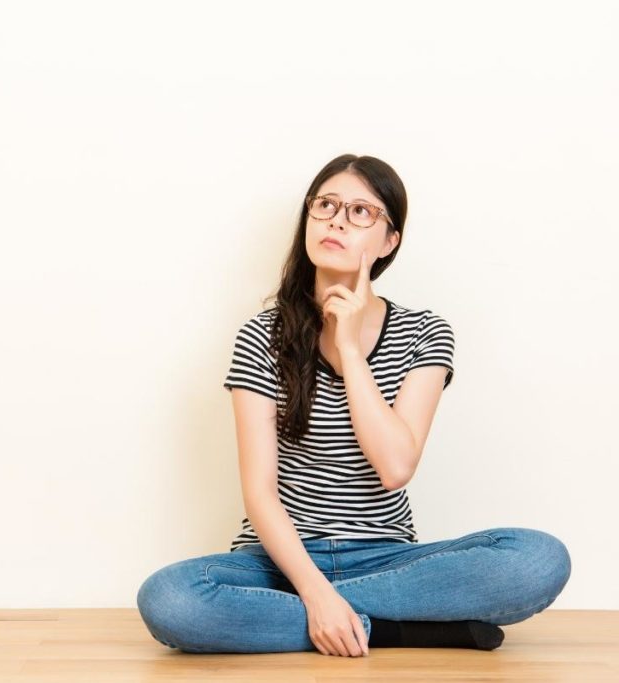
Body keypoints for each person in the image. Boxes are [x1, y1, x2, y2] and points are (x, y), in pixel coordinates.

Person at [135, 154, 571, 656]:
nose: (338, 219)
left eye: (362, 211)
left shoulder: (424, 333)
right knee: (171, 600)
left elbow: (395, 466)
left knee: (538, 560)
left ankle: (329, 618)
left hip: (387, 561)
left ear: (390, 241)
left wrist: (347, 349)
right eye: (326, 205)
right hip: (279, 563)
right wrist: (313, 590)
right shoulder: (261, 337)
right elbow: (260, 493)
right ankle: (395, 630)